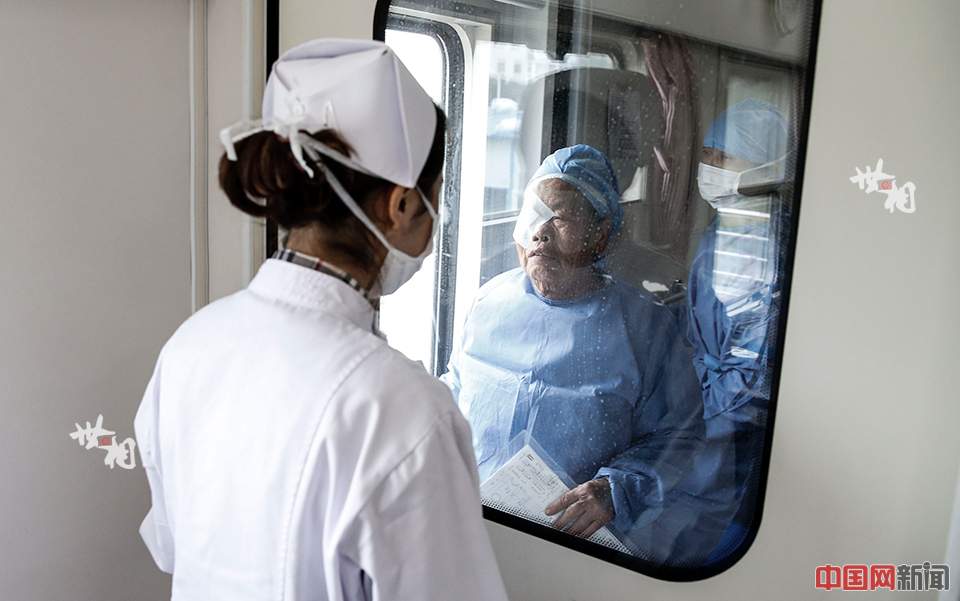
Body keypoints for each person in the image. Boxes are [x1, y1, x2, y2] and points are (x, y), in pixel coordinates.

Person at [134, 39, 508, 601]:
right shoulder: (405, 413)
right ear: (401, 205)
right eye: (436, 195)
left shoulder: (192, 344)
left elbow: (172, 544)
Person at [442, 145, 704, 542]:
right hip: (472, 518)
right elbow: (457, 387)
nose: (539, 232)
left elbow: (679, 435)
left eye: (559, 217)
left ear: (599, 235)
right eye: (533, 214)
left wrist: (616, 491)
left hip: (575, 540)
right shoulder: (489, 301)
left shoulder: (645, 328)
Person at [658, 98, 792, 564]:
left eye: (722, 156)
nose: (706, 166)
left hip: (728, 422)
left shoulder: (768, 252)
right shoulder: (726, 226)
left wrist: (690, 410)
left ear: (761, 167)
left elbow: (754, 374)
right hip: (704, 397)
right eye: (707, 154)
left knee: (695, 521)